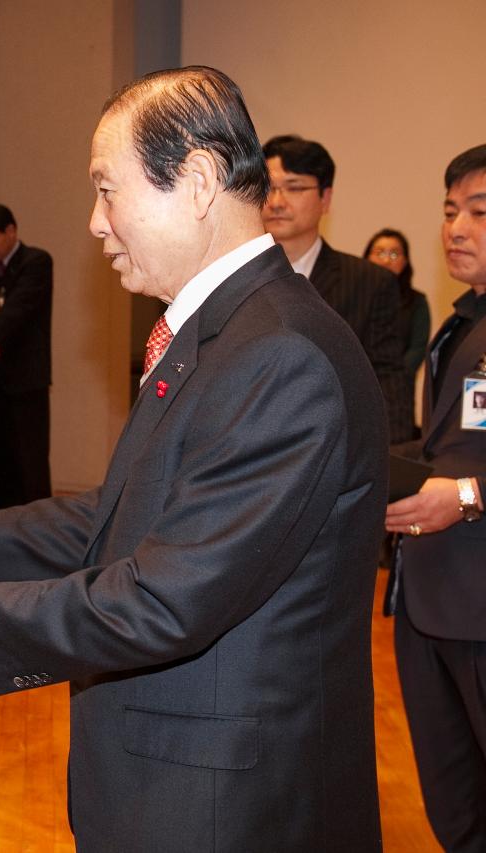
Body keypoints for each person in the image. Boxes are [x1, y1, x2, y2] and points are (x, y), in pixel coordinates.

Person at [0, 67, 384, 851]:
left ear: (200, 181)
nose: (95, 224)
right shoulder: (232, 331)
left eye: (109, 190)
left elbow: (170, 597)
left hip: (225, 807)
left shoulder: (278, 354)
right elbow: (135, 507)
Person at [384, 144, 486, 851]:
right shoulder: (456, 323)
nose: (455, 226)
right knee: (455, 805)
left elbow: (467, 475)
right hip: (426, 597)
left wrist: (472, 495)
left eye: (479, 212)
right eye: (451, 210)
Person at [261, 135, 407, 443]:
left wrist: (394, 463)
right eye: (269, 188)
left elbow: (388, 379)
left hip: (338, 451)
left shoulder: (369, 283)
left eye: (295, 187)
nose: (276, 201)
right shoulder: (230, 279)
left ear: (325, 198)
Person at [0, 203, 53, 508]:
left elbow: (14, 315)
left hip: (25, 382)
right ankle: (1, 531)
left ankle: (39, 535)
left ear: (11, 231)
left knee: (29, 465)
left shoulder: (36, 262)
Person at [364, 229, 431, 441]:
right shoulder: (356, 296)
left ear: (405, 261)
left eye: (394, 254)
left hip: (397, 394)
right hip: (359, 386)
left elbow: (418, 348)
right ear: (366, 257)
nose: (386, 260)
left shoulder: (416, 301)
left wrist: (394, 378)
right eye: (380, 252)